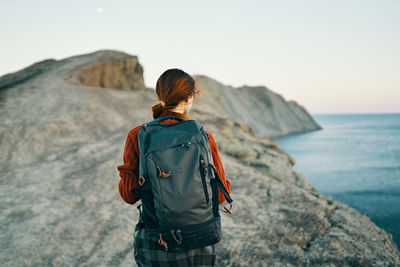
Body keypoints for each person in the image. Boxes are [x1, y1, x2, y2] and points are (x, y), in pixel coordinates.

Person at [117, 68, 231, 266]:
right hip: (199, 240)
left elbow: (129, 195)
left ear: (160, 95)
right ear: (189, 97)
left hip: (157, 241)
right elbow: (220, 196)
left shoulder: (138, 135)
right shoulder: (203, 135)